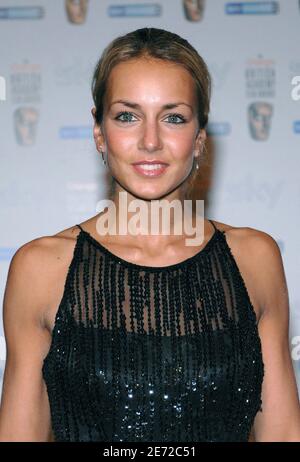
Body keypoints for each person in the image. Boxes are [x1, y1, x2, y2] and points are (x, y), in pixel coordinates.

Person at [0, 27, 300, 442]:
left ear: (199, 139)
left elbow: (283, 433)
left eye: (173, 117)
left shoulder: (255, 258)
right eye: (128, 115)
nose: (150, 141)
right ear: (99, 132)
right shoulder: (40, 268)